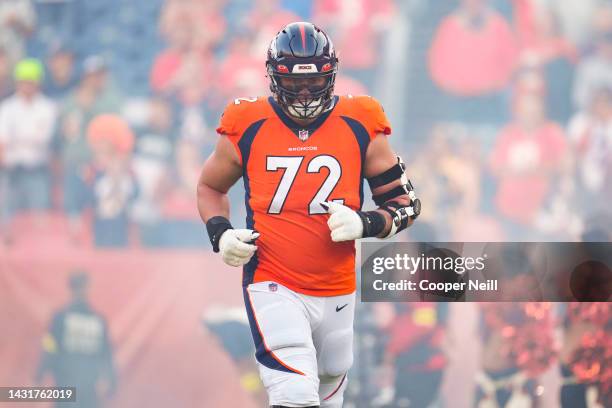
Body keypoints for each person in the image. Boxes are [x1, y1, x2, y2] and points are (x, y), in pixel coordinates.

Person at [197, 22, 421, 408]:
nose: (303, 93)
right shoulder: (246, 123)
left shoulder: (360, 120)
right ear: (273, 77)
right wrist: (221, 232)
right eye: (294, 83)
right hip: (272, 282)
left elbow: (406, 204)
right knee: (295, 394)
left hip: (336, 285)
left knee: (332, 382)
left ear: (330, 76)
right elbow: (210, 188)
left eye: (314, 83)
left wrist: (365, 223)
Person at [35, 271, 117, 408]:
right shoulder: (98, 320)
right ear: (88, 288)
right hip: (88, 388)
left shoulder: (60, 317)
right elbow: (107, 354)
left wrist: (39, 374)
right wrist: (112, 381)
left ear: (70, 289)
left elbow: (49, 347)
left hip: (66, 387)